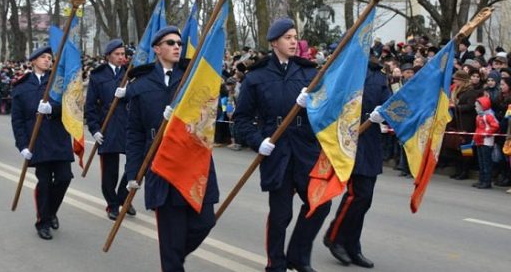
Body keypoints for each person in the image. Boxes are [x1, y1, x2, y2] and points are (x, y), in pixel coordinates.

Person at [233, 18, 330, 272]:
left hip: (305, 148)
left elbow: (326, 111)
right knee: (280, 214)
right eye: (287, 37)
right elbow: (241, 119)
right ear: (274, 42)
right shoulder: (257, 76)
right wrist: (258, 141)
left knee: (319, 203)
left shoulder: (309, 73)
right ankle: (275, 264)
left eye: (295, 36)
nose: (293, 41)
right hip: (276, 150)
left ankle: (298, 255)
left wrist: (316, 104)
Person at [125, 26, 219, 271]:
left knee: (205, 222)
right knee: (171, 236)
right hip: (161, 163)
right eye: (170, 42)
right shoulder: (141, 84)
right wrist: (133, 173)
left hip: (193, 159)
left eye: (179, 42)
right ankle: (172, 262)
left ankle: (173, 258)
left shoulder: (192, 78)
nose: (177, 46)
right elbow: (134, 133)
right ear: (157, 49)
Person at [322, 58, 391, 269]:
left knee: (365, 198)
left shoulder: (379, 76)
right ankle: (334, 237)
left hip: (370, 142)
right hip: (349, 140)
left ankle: (352, 245)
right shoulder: (345, 69)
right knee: (356, 195)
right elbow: (330, 102)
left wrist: (384, 113)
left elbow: (390, 102)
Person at [11, 46, 74, 240]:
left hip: (59, 138)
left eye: (49, 57)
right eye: (43, 57)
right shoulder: (21, 87)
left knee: (64, 178)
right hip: (37, 142)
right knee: (45, 182)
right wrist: (22, 146)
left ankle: (51, 211)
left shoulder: (57, 82)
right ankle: (43, 222)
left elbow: (71, 107)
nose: (48, 60)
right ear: (33, 61)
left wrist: (52, 110)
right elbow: (18, 120)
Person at [85, 39, 135, 220]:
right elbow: (90, 106)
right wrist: (94, 129)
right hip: (108, 126)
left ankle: (123, 197)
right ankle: (112, 204)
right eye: (118, 54)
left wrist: (128, 92)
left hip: (129, 126)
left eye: (123, 54)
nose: (122, 57)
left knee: (134, 167)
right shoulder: (98, 76)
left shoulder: (131, 75)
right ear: (108, 56)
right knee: (110, 171)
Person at [472, 95, 499, 189]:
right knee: (481, 162)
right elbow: (477, 129)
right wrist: (474, 138)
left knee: (486, 162)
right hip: (479, 140)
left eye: (477, 106)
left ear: (483, 106)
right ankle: (481, 180)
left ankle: (487, 182)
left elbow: (495, 126)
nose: (475, 108)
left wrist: (486, 133)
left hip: (486, 141)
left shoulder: (489, 116)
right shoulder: (478, 117)